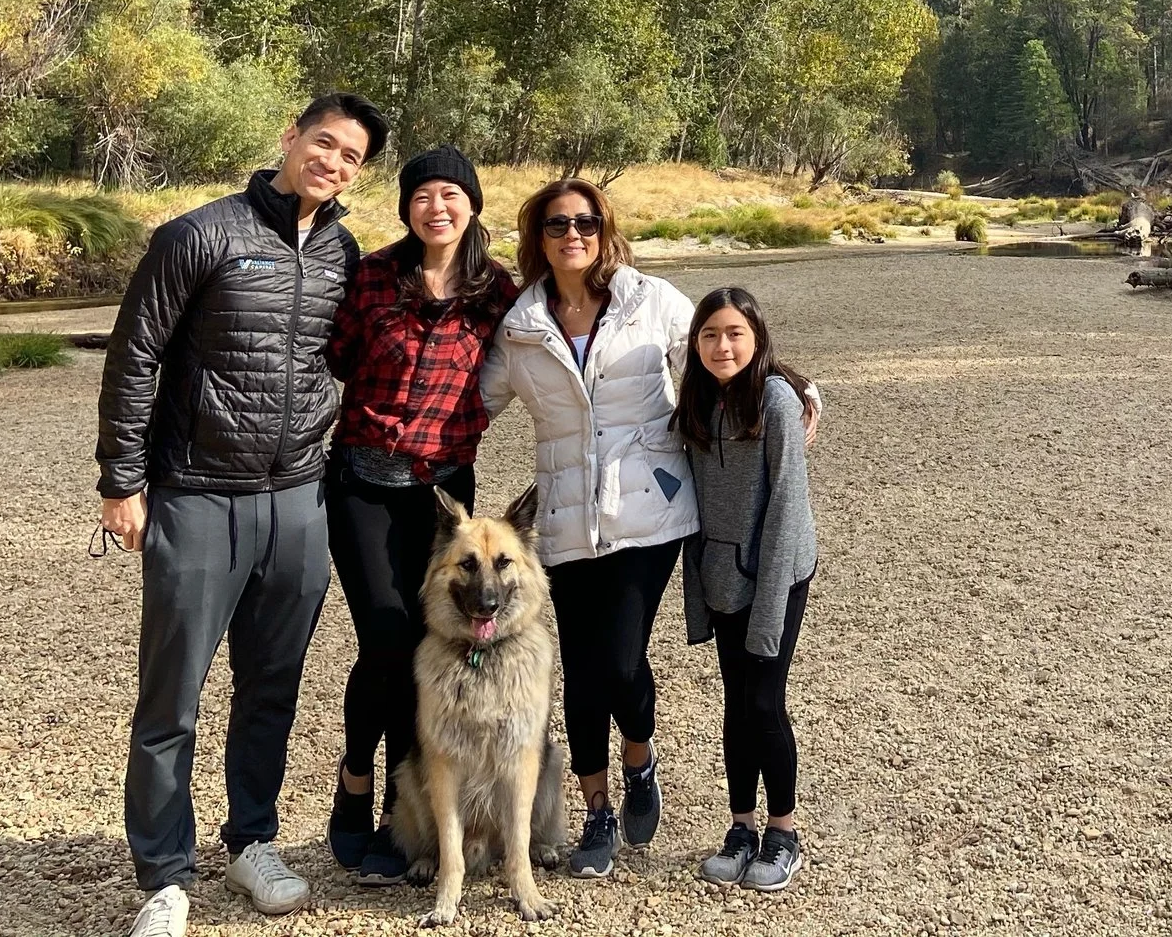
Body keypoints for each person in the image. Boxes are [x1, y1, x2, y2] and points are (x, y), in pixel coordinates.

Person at [95, 93, 388, 937]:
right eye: (322, 142)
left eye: (350, 156)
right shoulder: (200, 234)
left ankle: (251, 838)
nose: (332, 161)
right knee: (172, 695)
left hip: (298, 497)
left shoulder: (341, 251)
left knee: (272, 686)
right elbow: (136, 354)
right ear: (290, 138)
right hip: (194, 491)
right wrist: (122, 481)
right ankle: (163, 873)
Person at [479, 179, 820, 878]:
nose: (572, 233)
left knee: (624, 661)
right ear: (537, 236)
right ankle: (597, 812)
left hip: (648, 514)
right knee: (579, 672)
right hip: (568, 515)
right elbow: (472, 404)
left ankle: (641, 755)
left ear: (605, 230)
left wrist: (799, 387)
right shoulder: (519, 326)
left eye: (586, 221)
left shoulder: (650, 299)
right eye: (556, 223)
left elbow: (722, 349)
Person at [323, 146, 515, 886]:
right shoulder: (371, 276)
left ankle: (400, 814)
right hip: (362, 483)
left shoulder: (495, 291)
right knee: (387, 631)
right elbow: (321, 356)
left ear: (471, 205)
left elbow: (570, 331)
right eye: (423, 194)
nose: (437, 206)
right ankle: (356, 779)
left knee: (429, 641)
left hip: (443, 496)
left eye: (451, 194)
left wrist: (787, 386)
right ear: (406, 206)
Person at [677, 287, 818, 893]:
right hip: (720, 571)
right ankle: (741, 827)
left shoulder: (776, 400)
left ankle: (784, 832)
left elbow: (787, 505)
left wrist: (767, 607)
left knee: (764, 700)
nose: (722, 345)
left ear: (756, 336)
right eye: (710, 334)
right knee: (736, 701)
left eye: (734, 333)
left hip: (775, 572)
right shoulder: (699, 399)